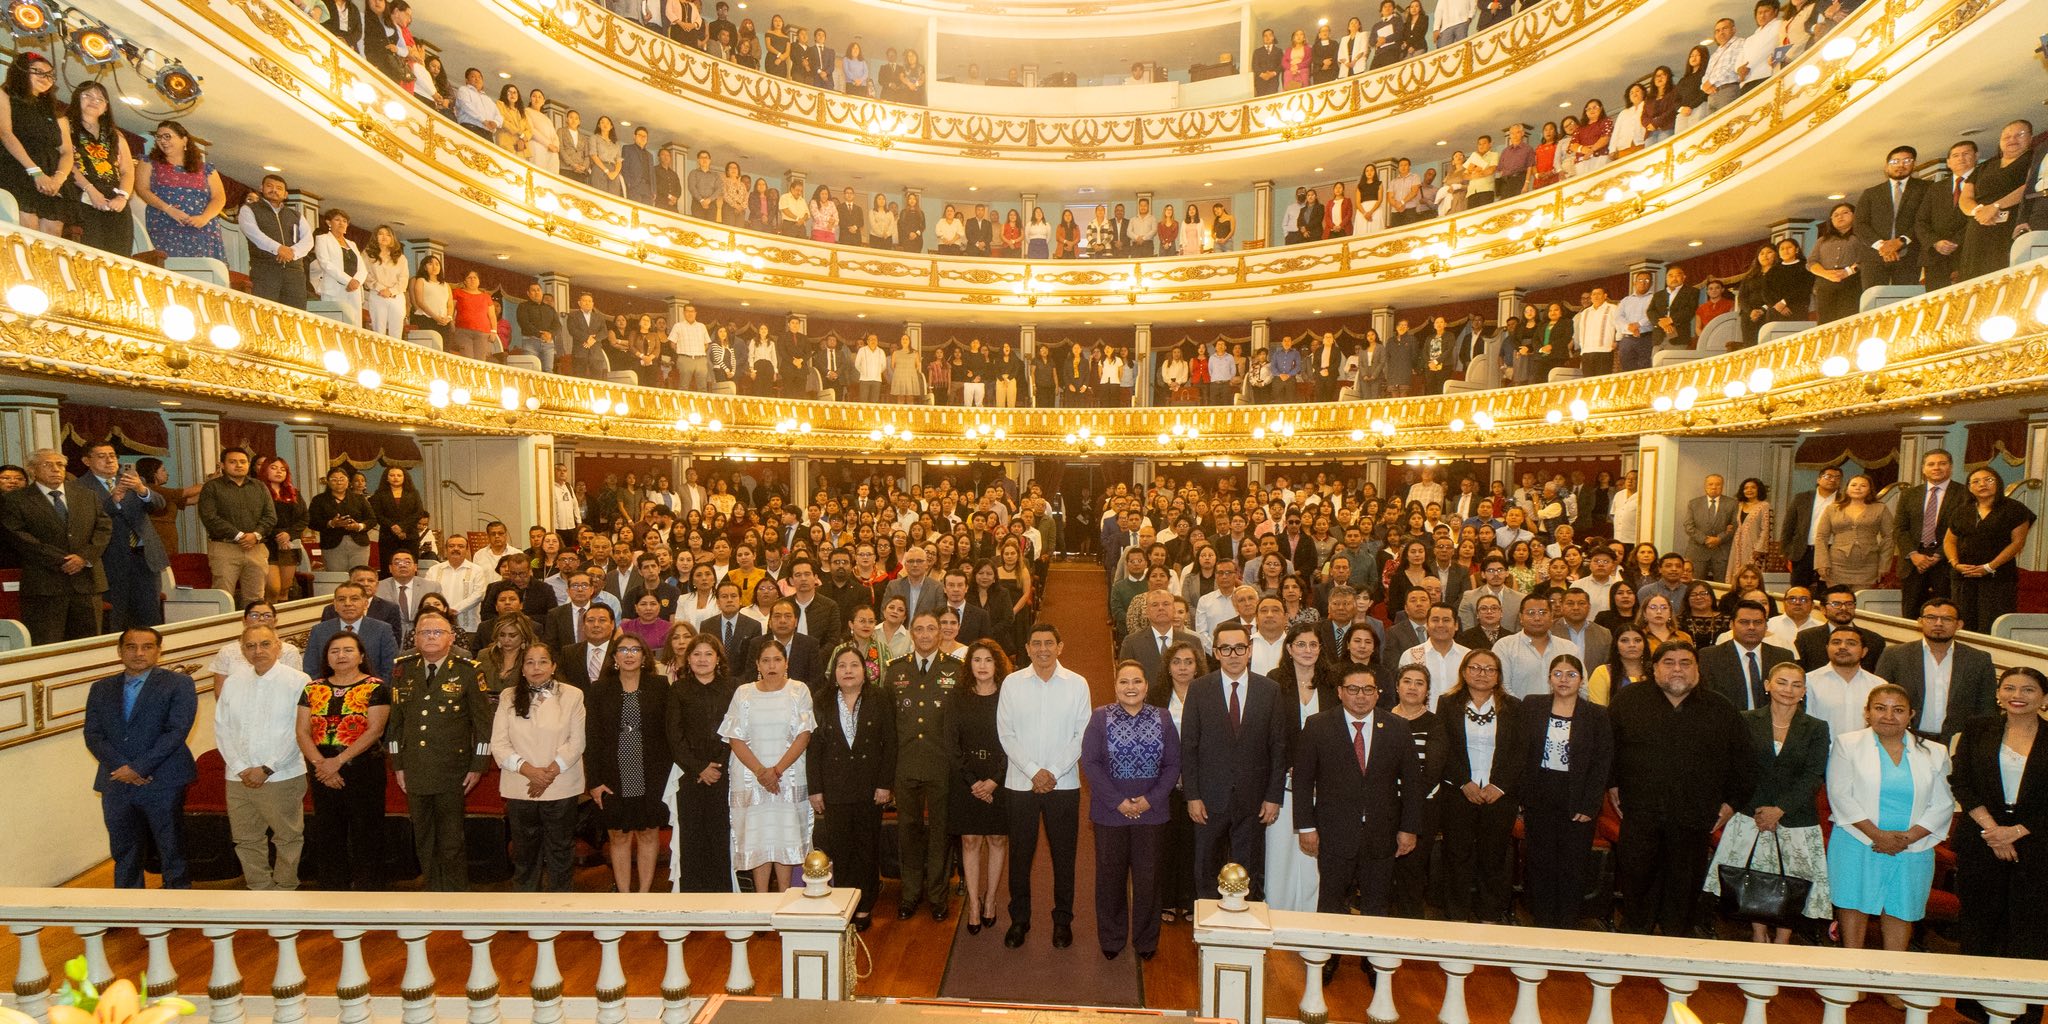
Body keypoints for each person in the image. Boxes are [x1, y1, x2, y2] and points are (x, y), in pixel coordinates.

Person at [1609, 643, 1756, 935]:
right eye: (1669, 662)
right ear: (1654, 668)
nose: (1677, 669)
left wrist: (1731, 804)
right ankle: (1633, 948)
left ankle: (1676, 953)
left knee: (1684, 890)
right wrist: (1612, 783)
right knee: (1637, 883)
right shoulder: (1628, 701)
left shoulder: (1721, 708)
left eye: (1686, 663)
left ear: (1698, 669)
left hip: (1694, 816)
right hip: (1640, 813)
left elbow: (1744, 762)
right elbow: (1607, 749)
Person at [1295, 662, 1425, 953]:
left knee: (1376, 903)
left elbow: (1413, 784)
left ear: (1378, 694)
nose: (1361, 696)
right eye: (1353, 689)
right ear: (1340, 692)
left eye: (1368, 689)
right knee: (1330, 901)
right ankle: (1326, 959)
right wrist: (1306, 827)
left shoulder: (1397, 728)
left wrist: (1409, 829)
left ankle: (1373, 960)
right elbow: (1303, 782)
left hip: (1383, 833)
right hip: (1333, 833)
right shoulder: (1318, 726)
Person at [1702, 661, 1833, 942]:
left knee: (1793, 882)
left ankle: (1783, 941)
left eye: (1796, 684)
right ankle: (1758, 935)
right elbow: (1737, 767)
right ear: (1767, 685)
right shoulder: (1746, 719)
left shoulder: (1817, 728)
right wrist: (1761, 811)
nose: (1789, 689)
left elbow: (1814, 775)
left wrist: (1780, 810)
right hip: (1751, 815)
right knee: (1753, 877)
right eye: (1782, 682)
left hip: (1796, 818)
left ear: (1804, 691)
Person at [1825, 685, 1953, 966]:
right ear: (1867, 712)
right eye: (1880, 708)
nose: (1888, 716)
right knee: (1853, 906)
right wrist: (1878, 835)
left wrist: (1905, 839)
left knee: (1901, 910)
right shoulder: (1848, 744)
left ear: (1911, 715)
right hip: (1857, 839)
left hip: (1913, 846)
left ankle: (1892, 981)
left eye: (1898, 710)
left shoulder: (1934, 751)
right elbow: (1840, 794)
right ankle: (1851, 975)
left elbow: (1943, 803)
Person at [1951, 667, 2048, 1023]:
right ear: (1998, 694)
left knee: (2030, 927)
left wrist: (2017, 831)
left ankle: (2023, 1011)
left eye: (2028, 689)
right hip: (1982, 839)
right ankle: (1977, 1009)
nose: (2017, 694)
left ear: (2044, 698)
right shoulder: (1978, 728)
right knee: (1980, 922)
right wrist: (1994, 831)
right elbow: (1960, 781)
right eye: (2009, 687)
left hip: (2038, 844)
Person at [997, 622, 1091, 950]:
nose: (1042, 649)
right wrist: (1034, 771)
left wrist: (1051, 772)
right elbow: (1006, 734)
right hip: (1019, 784)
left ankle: (1062, 921)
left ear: (1060, 647)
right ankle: (1019, 920)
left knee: (1064, 857)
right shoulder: (1012, 683)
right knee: (1020, 857)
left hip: (1063, 785)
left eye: (1049, 643)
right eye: (1036, 643)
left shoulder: (1077, 684)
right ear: (1027, 648)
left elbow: (1083, 734)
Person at [387, 609, 494, 891]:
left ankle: (457, 894)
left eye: (437, 632)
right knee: (422, 834)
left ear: (450, 638)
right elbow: (396, 721)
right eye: (424, 632)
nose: (430, 637)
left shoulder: (467, 670)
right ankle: (433, 890)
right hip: (415, 767)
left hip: (453, 769)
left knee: (450, 838)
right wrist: (397, 763)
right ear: (415, 638)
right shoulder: (403, 668)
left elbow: (483, 725)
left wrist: (477, 766)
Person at [1181, 621, 1289, 902]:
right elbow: (1189, 747)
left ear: (1249, 650)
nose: (1233, 654)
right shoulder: (1199, 689)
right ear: (1215, 652)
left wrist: (1273, 796)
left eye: (1239, 647)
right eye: (1225, 648)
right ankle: (1209, 935)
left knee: (1249, 872)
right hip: (1208, 800)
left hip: (1253, 800)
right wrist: (1192, 796)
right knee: (1206, 870)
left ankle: (1246, 936)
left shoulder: (1270, 690)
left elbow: (1278, 748)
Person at [83, 627, 197, 888]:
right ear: (120, 651)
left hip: (163, 779)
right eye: (131, 647)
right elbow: (93, 734)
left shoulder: (178, 683)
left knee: (171, 847)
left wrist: (139, 767)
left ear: (159, 651)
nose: (139, 653)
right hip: (116, 781)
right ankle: (128, 905)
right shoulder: (101, 688)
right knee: (124, 849)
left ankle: (178, 905)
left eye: (147, 647)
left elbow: (176, 730)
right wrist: (122, 767)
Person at [1082, 659, 1180, 961]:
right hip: (1110, 814)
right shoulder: (1100, 718)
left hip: (1152, 814)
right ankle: (1111, 938)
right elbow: (1091, 764)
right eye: (1124, 682)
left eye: (1136, 681)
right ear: (1115, 687)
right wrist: (1118, 802)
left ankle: (1146, 940)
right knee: (1110, 879)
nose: (1131, 688)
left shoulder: (1162, 718)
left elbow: (1173, 764)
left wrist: (1150, 799)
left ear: (1146, 686)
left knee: (1148, 879)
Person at [213, 625, 311, 891]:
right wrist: (241, 767)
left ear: (278, 646)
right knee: (246, 838)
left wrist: (268, 768)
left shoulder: (299, 680)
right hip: (238, 777)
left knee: (287, 836)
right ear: (242, 650)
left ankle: (285, 887)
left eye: (265, 644)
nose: (258, 651)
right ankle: (259, 889)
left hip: (282, 774)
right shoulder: (233, 682)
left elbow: (300, 732)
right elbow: (222, 727)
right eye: (250, 646)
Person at [1519, 654, 1613, 929]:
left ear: (1581, 680)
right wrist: (1523, 796)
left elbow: (1602, 762)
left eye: (1571, 674)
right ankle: (1543, 920)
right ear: (1549, 678)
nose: (1563, 680)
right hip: (1539, 792)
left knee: (1573, 862)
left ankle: (1567, 921)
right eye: (1557, 674)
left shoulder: (1596, 714)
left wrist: (1591, 804)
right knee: (1540, 859)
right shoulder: (1532, 706)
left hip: (1578, 795)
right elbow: (1521, 752)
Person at [808, 645, 895, 927]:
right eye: (842, 666)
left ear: (865, 671)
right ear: (834, 672)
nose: (848, 670)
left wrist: (885, 784)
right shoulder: (820, 701)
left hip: (870, 787)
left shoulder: (879, 698)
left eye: (854, 665)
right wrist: (815, 788)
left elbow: (889, 743)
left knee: (866, 848)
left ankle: (865, 905)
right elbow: (814, 748)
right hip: (834, 788)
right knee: (841, 847)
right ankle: (845, 902)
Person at [720, 640, 816, 893]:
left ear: (787, 663)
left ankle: (784, 897)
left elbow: (803, 735)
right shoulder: (744, 692)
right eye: (765, 660)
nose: (771, 665)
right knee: (758, 836)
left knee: (785, 836)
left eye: (777, 660)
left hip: (789, 775)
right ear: (757, 664)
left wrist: (776, 771)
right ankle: (760, 901)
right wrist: (761, 772)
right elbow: (734, 737)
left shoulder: (799, 690)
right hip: (751, 777)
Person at [1434, 649, 1522, 923]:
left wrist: (1500, 785)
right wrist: (1463, 783)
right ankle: (1456, 915)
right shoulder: (1447, 703)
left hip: (1499, 795)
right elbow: (1443, 748)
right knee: (1456, 855)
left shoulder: (1514, 706)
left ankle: (1489, 915)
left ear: (1498, 676)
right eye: (1475, 668)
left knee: (1494, 857)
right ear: (1464, 671)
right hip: (1459, 792)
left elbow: (1520, 752)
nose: (1482, 674)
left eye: (1489, 669)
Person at [492, 641, 586, 892]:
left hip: (561, 784)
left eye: (543, 661)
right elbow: (499, 744)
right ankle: (525, 907)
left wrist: (549, 773)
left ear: (554, 666)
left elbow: (576, 742)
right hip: (520, 785)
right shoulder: (508, 696)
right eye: (530, 662)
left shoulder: (573, 695)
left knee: (560, 848)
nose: (536, 667)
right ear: (521, 668)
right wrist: (530, 771)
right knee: (524, 851)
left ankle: (560, 907)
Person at [585, 634, 671, 893]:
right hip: (612, 773)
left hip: (652, 773)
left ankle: (643, 894)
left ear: (645, 656)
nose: (629, 654)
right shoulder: (600, 689)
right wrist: (594, 781)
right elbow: (593, 736)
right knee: (618, 835)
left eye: (635, 650)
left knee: (648, 832)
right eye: (623, 650)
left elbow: (667, 732)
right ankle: (623, 895)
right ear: (614, 658)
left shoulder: (660, 685)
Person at [1, 447, 111, 644]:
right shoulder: (14, 500)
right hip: (45, 585)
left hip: (86, 582)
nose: (55, 469)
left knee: (89, 646)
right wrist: (62, 560)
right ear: (32, 470)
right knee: (48, 645)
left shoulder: (87, 495)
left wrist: (83, 558)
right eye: (47, 464)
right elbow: (18, 536)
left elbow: (103, 529)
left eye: (59, 464)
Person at [946, 639, 1011, 933]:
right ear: (969, 665)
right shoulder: (957, 697)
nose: (982, 666)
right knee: (970, 841)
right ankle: (973, 903)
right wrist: (973, 782)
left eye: (988, 660)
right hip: (965, 780)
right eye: (977, 660)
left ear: (997, 664)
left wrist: (994, 781)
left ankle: (991, 901)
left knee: (998, 839)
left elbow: (1014, 742)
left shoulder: (1009, 697)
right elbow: (951, 744)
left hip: (1001, 779)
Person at [666, 634, 737, 892]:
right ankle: (693, 896)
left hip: (725, 772)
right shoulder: (678, 689)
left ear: (718, 658)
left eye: (708, 654)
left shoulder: (733, 688)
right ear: (688, 658)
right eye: (696, 654)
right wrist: (698, 767)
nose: (702, 659)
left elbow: (736, 731)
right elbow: (674, 735)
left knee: (721, 834)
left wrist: (716, 766)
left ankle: (721, 894)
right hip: (690, 774)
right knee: (692, 835)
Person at [1874, 597, 1997, 744]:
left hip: (1958, 743)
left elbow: (1986, 709)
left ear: (1959, 624)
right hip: (1905, 738)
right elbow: (1878, 699)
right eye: (1931, 618)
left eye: (1947, 619)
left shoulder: (1978, 660)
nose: (1938, 623)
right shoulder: (1895, 655)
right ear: (1920, 622)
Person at [1945, 465, 2036, 634]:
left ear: (1998, 483)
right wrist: (1955, 563)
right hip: (1964, 576)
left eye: (1988, 480)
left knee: (1991, 625)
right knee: (1964, 624)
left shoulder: (2014, 509)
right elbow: (1949, 541)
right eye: (1976, 481)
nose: (1982, 484)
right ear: (1970, 488)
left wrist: (1989, 567)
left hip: (1998, 577)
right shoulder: (1962, 510)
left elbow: (2017, 543)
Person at [0, 52, 74, 237]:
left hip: (52, 179)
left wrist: (58, 179)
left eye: (49, 74)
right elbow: (5, 134)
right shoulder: (4, 95)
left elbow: (66, 152)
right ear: (21, 71)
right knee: (26, 234)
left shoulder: (56, 111)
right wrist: (35, 172)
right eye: (38, 71)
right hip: (18, 170)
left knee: (52, 239)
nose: (45, 78)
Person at [197, 447, 274, 611]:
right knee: (224, 596)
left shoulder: (259, 486)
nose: (239, 465)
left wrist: (255, 535)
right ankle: (223, 634)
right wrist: (239, 536)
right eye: (233, 462)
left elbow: (270, 516)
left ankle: (254, 633)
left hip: (256, 548)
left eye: (243, 462)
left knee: (256, 599)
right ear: (222, 465)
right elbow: (210, 518)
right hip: (224, 548)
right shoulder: (212, 487)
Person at [136, 121, 226, 260]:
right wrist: (169, 209)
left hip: (202, 230)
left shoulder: (206, 169)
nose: (162, 141)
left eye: (167, 136)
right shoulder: (149, 162)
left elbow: (219, 198)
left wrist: (204, 218)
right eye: (159, 137)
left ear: (184, 140)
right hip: (165, 226)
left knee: (202, 275)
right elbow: (142, 189)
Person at [1700, 600, 1795, 713]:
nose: (1751, 627)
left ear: (1766, 625)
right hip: (1727, 724)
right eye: (1744, 622)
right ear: (1731, 624)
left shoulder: (1782, 656)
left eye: (1758, 622)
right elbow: (1706, 700)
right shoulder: (1710, 657)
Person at [1814, 474, 1895, 591]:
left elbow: (1889, 537)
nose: (1858, 488)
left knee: (1859, 604)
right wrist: (1821, 563)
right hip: (1836, 565)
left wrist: (1884, 566)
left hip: (1868, 566)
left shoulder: (1880, 508)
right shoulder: (1832, 509)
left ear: (1869, 490)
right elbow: (1821, 537)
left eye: (1863, 486)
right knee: (1838, 600)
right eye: (1853, 485)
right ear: (1846, 489)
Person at [310, 208, 368, 326]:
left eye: (344, 221)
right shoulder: (323, 239)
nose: (341, 223)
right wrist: (348, 281)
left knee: (355, 325)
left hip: (354, 290)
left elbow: (362, 267)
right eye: (337, 220)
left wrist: (356, 281)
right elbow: (325, 263)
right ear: (328, 222)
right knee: (335, 325)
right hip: (334, 289)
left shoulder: (352, 244)